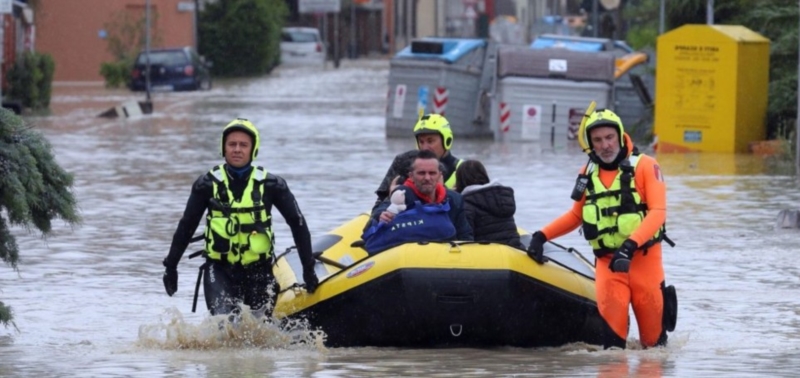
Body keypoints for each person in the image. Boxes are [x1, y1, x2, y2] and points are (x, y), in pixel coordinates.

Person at [527, 109, 676, 350]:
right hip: (608, 266)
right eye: (598, 140)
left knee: (654, 349)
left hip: (644, 263)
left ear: (619, 135)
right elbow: (576, 215)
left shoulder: (647, 166)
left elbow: (658, 212)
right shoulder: (587, 173)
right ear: (590, 144)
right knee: (613, 352)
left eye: (609, 137)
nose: (605, 145)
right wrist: (542, 236)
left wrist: (630, 245)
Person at [161, 118, 319, 318]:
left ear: (253, 149)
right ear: (223, 148)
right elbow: (186, 227)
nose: (237, 149)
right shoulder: (206, 185)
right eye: (232, 144)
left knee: (257, 329)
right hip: (219, 270)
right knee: (224, 323)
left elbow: (298, 225)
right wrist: (171, 266)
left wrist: (308, 269)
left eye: (243, 145)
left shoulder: (273, 185)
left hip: (259, 272)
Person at [363, 150, 473, 254]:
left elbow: (465, 236)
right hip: (410, 257)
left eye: (432, 173)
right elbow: (382, 209)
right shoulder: (402, 194)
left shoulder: (455, 200)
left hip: (446, 257)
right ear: (411, 176)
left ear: (440, 175)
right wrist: (381, 216)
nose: (427, 177)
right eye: (421, 173)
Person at [372, 114, 463, 210]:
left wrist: (444, 193)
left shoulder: (463, 169)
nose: (425, 147)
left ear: (447, 140)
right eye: (421, 142)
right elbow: (378, 207)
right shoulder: (403, 163)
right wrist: (393, 197)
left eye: (430, 141)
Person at [454, 160, 524, 249]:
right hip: (514, 251)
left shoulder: (466, 205)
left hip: (487, 256)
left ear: (460, 180)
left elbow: (466, 240)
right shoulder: (501, 199)